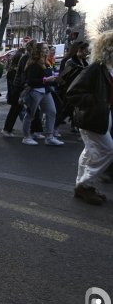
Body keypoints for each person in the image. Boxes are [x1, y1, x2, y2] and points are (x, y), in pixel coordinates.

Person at [66, 31, 113, 204]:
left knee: (89, 152)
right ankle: (85, 184)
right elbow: (73, 93)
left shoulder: (108, 68)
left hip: (103, 116)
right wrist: (95, 102)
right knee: (108, 150)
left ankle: (84, 185)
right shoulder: (95, 68)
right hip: (92, 117)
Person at [21, 43, 65, 146]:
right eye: (44, 48)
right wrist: (45, 80)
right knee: (30, 115)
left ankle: (49, 137)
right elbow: (30, 81)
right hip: (35, 91)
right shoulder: (34, 63)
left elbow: (49, 78)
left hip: (45, 91)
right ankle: (26, 137)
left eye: (47, 48)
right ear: (38, 50)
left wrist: (57, 80)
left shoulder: (46, 63)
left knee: (52, 112)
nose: (47, 50)